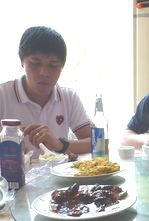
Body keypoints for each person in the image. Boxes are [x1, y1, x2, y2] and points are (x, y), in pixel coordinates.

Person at [0, 26, 91, 158]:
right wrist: (8, 146)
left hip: (59, 177)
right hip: (11, 177)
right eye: (35, 63)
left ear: (62, 67)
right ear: (22, 61)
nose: (44, 72)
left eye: (53, 65)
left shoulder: (68, 97)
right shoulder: (3, 95)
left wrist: (60, 145)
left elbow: (95, 143)